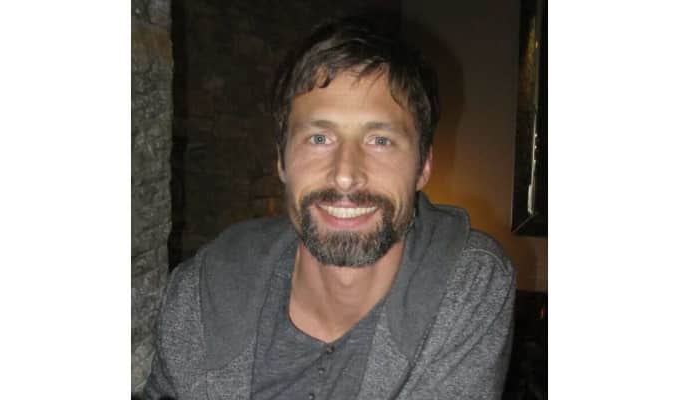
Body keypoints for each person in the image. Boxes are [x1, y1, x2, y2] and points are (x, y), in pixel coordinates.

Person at [144, 15, 515, 400]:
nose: (345, 176)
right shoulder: (203, 289)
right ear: (281, 161)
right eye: (319, 138)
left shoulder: (466, 283)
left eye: (380, 141)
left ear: (423, 166)